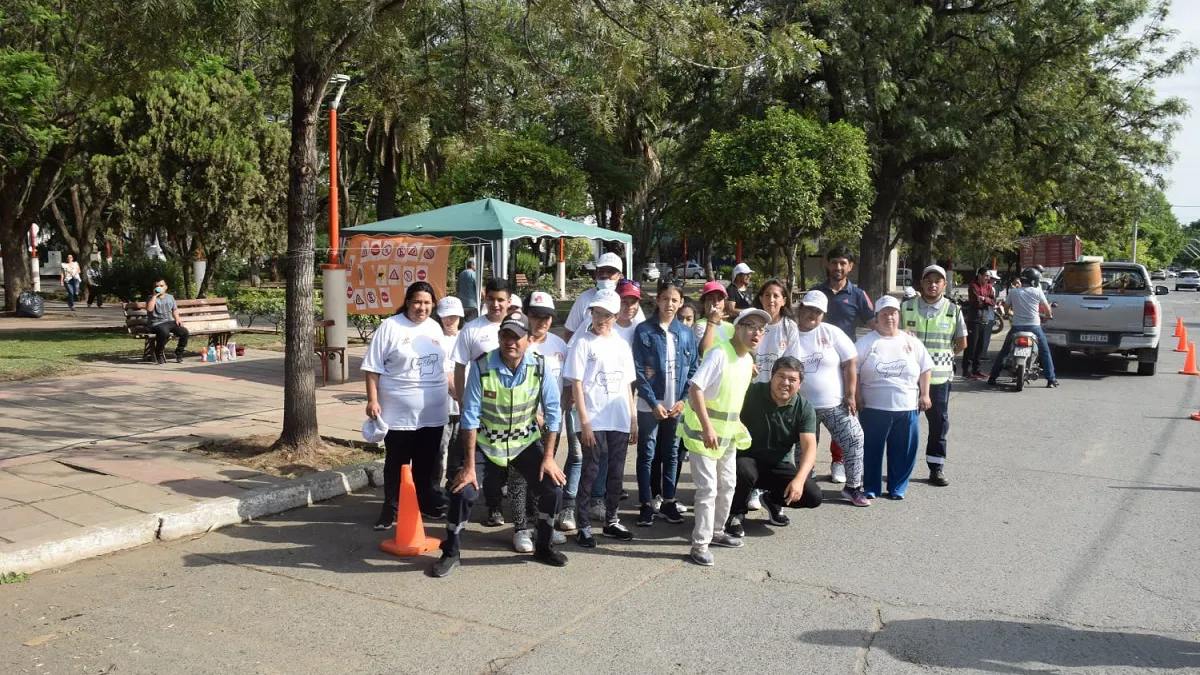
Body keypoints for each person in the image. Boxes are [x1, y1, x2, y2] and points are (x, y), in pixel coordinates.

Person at [431, 311, 568, 577]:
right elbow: (469, 417)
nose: (511, 342)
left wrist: (549, 457)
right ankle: (451, 552)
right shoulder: (481, 366)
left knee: (553, 489)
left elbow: (553, 412)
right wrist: (469, 467)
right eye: (506, 335)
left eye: (517, 337)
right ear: (499, 338)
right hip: (486, 442)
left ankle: (543, 546)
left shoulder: (540, 367)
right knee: (463, 492)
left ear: (528, 340)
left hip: (524, 442)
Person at [559, 251, 645, 527]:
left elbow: (628, 381)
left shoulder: (621, 340)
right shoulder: (584, 337)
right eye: (596, 313)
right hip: (591, 414)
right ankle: (576, 514)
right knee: (584, 462)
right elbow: (577, 379)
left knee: (614, 470)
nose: (600, 318)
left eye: (606, 314)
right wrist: (583, 419)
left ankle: (610, 517)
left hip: (618, 415)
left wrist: (633, 418)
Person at [679, 308, 767, 566]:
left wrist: (737, 421)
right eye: (751, 326)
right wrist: (707, 427)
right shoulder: (719, 354)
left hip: (727, 435)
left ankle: (717, 531)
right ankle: (700, 544)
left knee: (728, 484)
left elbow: (731, 396)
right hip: (702, 434)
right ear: (737, 328)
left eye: (761, 329)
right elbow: (696, 390)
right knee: (708, 489)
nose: (756, 333)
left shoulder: (747, 360)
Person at [363, 281, 450, 529]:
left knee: (429, 462)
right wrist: (373, 399)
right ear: (408, 302)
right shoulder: (390, 327)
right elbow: (372, 368)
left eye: (427, 303)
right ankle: (391, 509)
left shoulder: (435, 328)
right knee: (398, 462)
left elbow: (445, 369)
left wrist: (463, 398)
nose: (421, 308)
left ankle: (427, 504)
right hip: (398, 413)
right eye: (417, 302)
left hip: (433, 412)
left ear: (433, 304)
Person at [788, 290, 870, 506]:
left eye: (818, 311)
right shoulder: (789, 333)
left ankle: (853, 487)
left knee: (854, 438)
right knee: (803, 447)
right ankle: (805, 484)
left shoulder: (831, 333)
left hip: (835, 404)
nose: (812, 314)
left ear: (823, 314)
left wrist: (850, 394)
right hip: (801, 406)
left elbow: (851, 360)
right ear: (801, 308)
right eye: (809, 309)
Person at [726, 356, 822, 537]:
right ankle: (736, 513)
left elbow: (809, 448)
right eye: (781, 376)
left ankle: (771, 500)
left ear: (800, 384)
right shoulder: (752, 393)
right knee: (744, 471)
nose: (785, 383)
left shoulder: (804, 407)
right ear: (772, 376)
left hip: (778, 464)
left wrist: (799, 480)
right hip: (747, 458)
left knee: (813, 496)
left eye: (792, 379)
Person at [632, 281, 698, 527]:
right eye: (665, 299)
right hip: (651, 406)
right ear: (657, 301)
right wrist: (652, 402)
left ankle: (669, 500)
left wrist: (683, 400)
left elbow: (693, 369)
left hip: (675, 406)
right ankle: (647, 504)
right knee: (647, 453)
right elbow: (638, 370)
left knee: (672, 454)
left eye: (674, 300)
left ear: (681, 302)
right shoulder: (644, 331)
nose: (669, 304)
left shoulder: (685, 333)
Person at [509, 291, 570, 551]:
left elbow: (567, 384)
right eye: (536, 315)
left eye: (547, 316)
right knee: (519, 477)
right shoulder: (520, 343)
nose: (542, 321)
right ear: (527, 315)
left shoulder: (559, 345)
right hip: (521, 421)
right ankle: (521, 528)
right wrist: (534, 412)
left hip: (551, 424)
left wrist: (560, 411)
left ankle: (541, 525)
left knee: (544, 474)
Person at [857, 296, 933, 499]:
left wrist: (925, 394)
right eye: (884, 314)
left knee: (904, 450)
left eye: (892, 313)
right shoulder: (866, 342)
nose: (888, 317)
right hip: (874, 407)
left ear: (899, 315)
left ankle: (898, 487)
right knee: (871, 450)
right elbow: (853, 370)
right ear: (877, 317)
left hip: (907, 406)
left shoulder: (911, 341)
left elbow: (926, 367)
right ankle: (871, 487)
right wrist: (856, 395)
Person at [450, 278, 511, 526]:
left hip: (510, 412)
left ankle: (510, 507)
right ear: (484, 298)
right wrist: (463, 401)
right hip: (480, 411)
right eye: (491, 299)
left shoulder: (515, 327)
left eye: (501, 300)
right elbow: (459, 366)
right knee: (475, 459)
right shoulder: (472, 329)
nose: (495, 305)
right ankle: (489, 506)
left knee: (504, 463)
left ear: (509, 301)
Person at [900, 265, 967, 487]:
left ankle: (936, 467)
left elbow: (961, 343)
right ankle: (900, 467)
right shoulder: (906, 308)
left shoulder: (953, 310)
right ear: (922, 283)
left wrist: (941, 360)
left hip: (938, 379)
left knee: (938, 424)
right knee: (904, 425)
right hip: (908, 378)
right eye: (928, 280)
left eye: (938, 280)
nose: (933, 284)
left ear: (944, 285)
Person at [812, 247, 874, 483]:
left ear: (850, 267)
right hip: (817, 362)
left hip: (845, 364)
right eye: (834, 263)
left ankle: (838, 462)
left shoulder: (857, 294)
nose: (838, 267)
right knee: (812, 414)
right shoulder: (816, 291)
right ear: (828, 265)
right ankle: (808, 462)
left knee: (843, 413)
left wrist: (898, 333)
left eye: (843, 263)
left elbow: (872, 321)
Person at [989, 267, 1058, 388]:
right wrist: (1049, 315)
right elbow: (1047, 309)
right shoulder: (1037, 291)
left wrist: (1006, 313)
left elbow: (1006, 307)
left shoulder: (1014, 292)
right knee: (1045, 352)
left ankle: (993, 377)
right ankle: (1051, 379)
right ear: (1033, 280)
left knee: (1004, 352)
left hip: (1016, 327)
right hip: (1034, 327)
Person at [435, 296, 465, 494]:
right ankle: (433, 489)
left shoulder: (465, 337)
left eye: (454, 316)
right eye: (446, 316)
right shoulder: (436, 339)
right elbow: (441, 369)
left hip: (462, 405)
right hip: (441, 405)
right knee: (439, 449)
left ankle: (453, 488)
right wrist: (454, 388)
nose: (450, 321)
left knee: (458, 449)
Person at [963, 267, 999, 379]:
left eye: (988, 276)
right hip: (974, 319)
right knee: (971, 346)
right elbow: (975, 302)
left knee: (980, 346)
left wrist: (984, 299)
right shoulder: (973, 286)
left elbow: (994, 302)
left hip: (985, 319)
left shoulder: (989, 287)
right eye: (986, 275)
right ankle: (966, 371)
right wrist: (984, 300)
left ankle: (977, 370)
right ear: (979, 275)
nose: (987, 278)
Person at [145, 278, 188, 364]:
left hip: (169, 321)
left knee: (184, 332)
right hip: (156, 323)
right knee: (164, 333)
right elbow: (149, 309)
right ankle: (158, 353)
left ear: (166, 287)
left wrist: (178, 320)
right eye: (157, 286)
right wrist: (154, 296)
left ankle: (178, 353)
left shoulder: (170, 297)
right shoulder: (150, 298)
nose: (159, 288)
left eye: (161, 286)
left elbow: (174, 310)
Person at [693, 281, 733, 354]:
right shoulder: (700, 325)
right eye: (711, 299)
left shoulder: (730, 326)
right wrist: (711, 322)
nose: (716, 302)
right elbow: (704, 352)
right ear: (703, 303)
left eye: (720, 299)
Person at [614, 278, 644, 343]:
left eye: (633, 302)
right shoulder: (605, 329)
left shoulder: (641, 329)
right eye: (624, 302)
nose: (629, 306)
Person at [457, 258, 479, 322]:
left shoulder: (461, 274)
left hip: (462, 304)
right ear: (472, 265)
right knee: (472, 325)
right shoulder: (474, 274)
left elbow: (457, 288)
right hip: (472, 305)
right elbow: (478, 288)